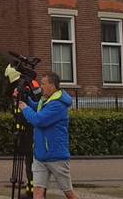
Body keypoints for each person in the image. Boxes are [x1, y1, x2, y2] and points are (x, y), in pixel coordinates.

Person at [17, 71, 77, 199]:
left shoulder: (57, 105)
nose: (40, 86)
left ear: (53, 85)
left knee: (68, 193)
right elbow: (36, 108)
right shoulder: (46, 100)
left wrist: (24, 108)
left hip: (56, 156)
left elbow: (39, 120)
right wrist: (25, 98)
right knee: (37, 193)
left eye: (43, 84)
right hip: (41, 155)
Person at [7, 65, 41, 199]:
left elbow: (27, 109)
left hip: (29, 131)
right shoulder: (32, 86)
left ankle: (34, 192)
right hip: (27, 130)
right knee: (29, 161)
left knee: (30, 161)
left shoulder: (27, 88)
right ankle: (31, 190)